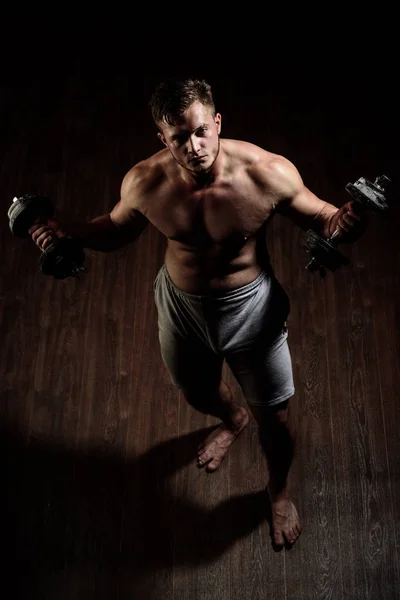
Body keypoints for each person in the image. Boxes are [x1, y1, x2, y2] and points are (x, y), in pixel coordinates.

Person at [29, 77, 367, 549]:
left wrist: (347, 221)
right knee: (199, 392)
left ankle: (279, 489)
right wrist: (63, 230)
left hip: (252, 310)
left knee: (277, 420)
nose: (194, 146)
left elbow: (327, 220)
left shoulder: (267, 173)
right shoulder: (145, 182)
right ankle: (231, 420)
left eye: (202, 130)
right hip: (181, 307)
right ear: (162, 139)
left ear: (218, 122)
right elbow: (113, 231)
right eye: (179, 137)